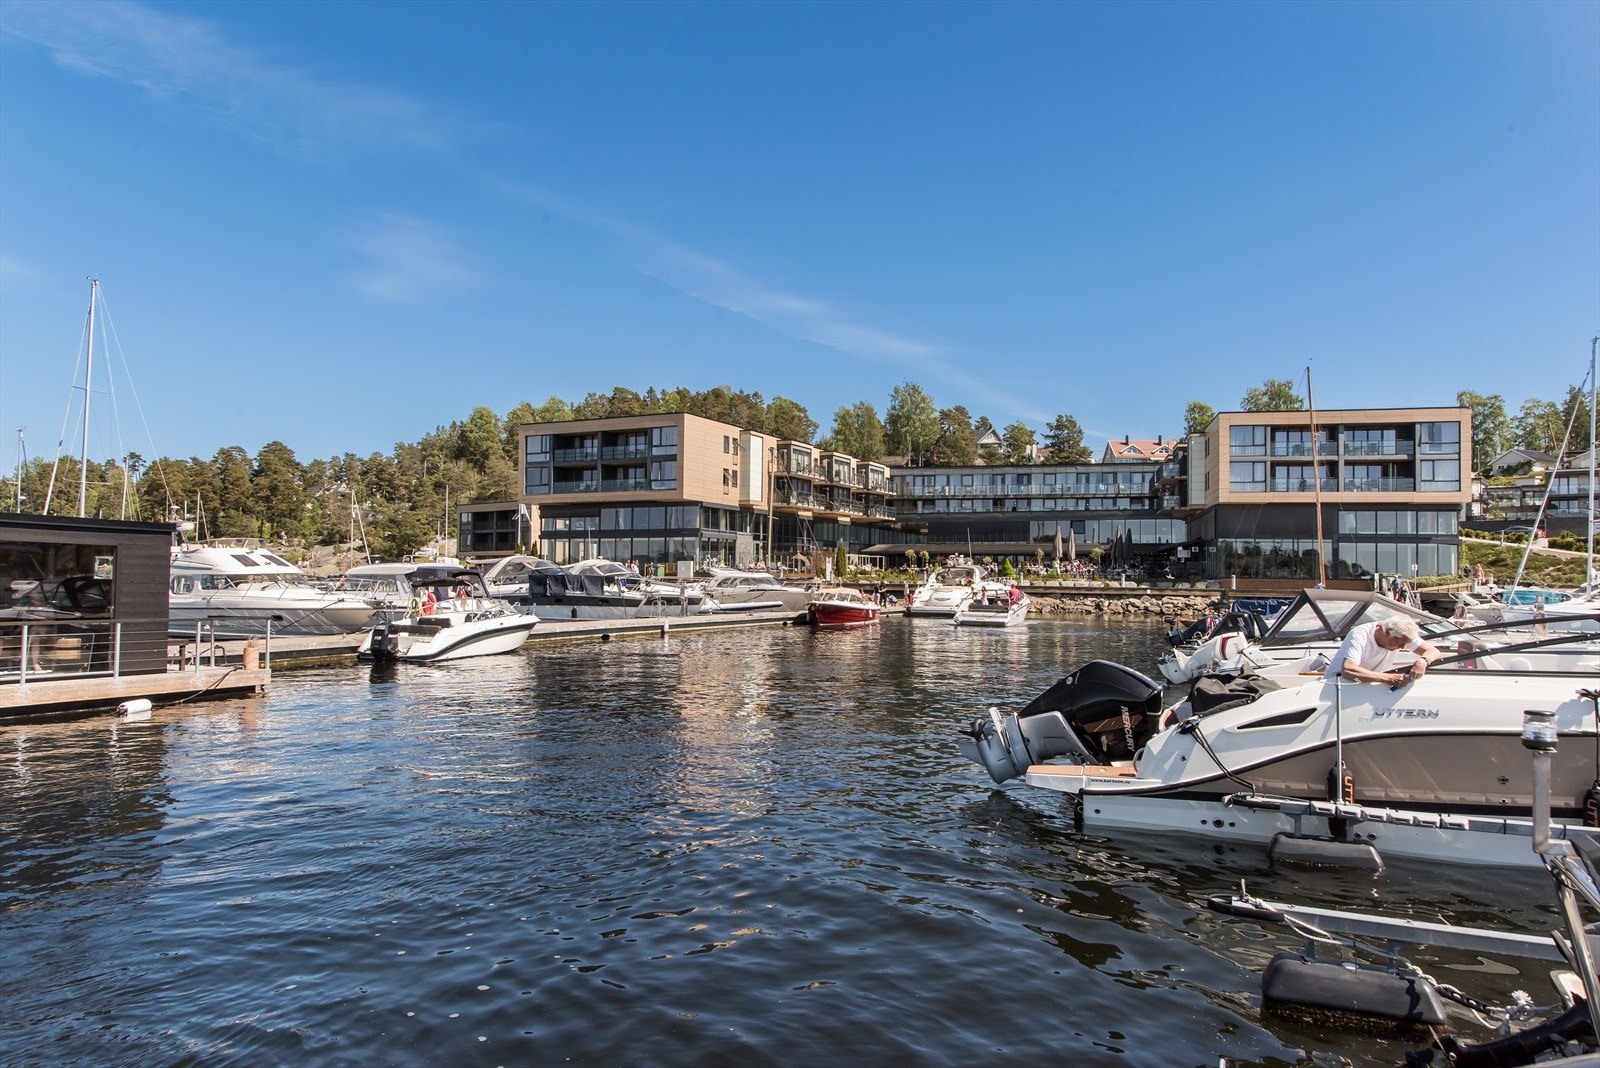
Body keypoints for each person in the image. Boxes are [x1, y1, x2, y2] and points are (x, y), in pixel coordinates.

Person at [1324, 616, 1441, 686]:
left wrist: (1423, 661)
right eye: (1399, 644)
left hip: (1368, 686)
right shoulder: (1360, 634)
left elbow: (1433, 651)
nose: (1402, 647)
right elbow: (1348, 670)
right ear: (1387, 633)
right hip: (1338, 686)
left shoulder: (1403, 635)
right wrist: (1388, 678)